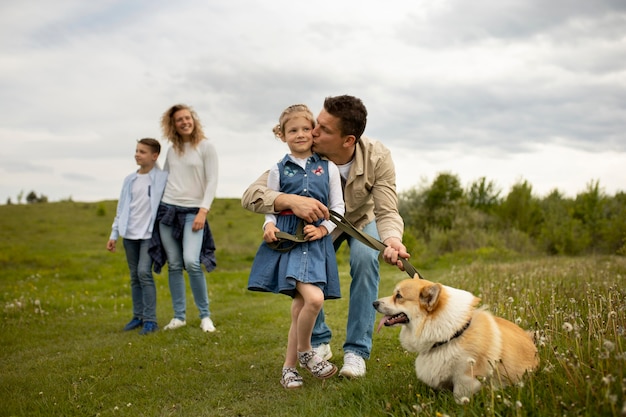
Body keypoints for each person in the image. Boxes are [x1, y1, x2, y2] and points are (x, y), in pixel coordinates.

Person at [241, 95, 410, 378]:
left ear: (348, 140)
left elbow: (387, 210)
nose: (313, 132)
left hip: (358, 220)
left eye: (324, 129)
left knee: (365, 259)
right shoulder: (304, 154)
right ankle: (318, 342)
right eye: (316, 124)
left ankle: (356, 352)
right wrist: (289, 201)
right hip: (317, 225)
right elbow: (251, 196)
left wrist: (392, 240)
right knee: (306, 270)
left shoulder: (378, 157)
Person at [247, 104, 345, 389]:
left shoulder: (328, 168)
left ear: (313, 132)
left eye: (305, 129)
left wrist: (324, 228)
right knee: (313, 300)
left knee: (302, 304)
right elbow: (270, 202)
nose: (300, 134)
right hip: (288, 241)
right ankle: (306, 352)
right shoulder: (278, 169)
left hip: (315, 242)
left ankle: (289, 368)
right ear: (282, 135)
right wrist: (268, 225)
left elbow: (338, 207)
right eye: (293, 130)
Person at [149, 104, 219, 333]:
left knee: (191, 261)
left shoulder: (206, 147)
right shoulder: (172, 150)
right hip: (168, 210)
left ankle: (205, 316)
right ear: (173, 125)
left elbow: (212, 181)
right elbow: (163, 178)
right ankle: (179, 317)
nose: (184, 122)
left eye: (187, 118)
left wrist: (203, 211)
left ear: (194, 120)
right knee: (175, 264)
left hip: (193, 213)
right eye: (179, 120)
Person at [107, 138, 168, 335]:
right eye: (136, 150)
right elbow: (121, 208)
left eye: (142, 151)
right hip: (129, 235)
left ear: (154, 156)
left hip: (149, 234)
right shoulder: (129, 180)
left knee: (144, 272)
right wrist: (114, 234)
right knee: (135, 276)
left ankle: (151, 320)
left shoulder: (162, 178)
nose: (137, 154)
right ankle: (138, 316)